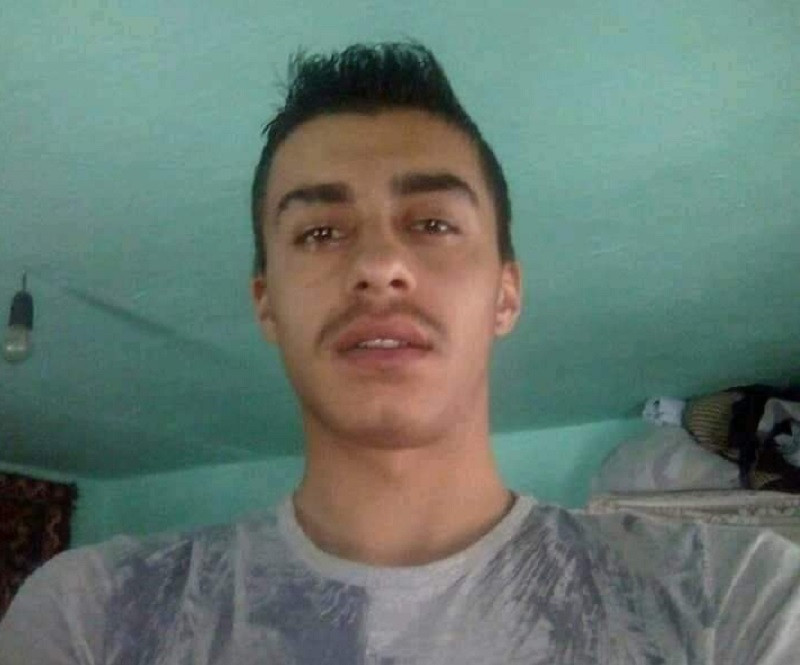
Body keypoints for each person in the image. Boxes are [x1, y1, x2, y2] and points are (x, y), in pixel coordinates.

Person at [1, 41, 798, 664]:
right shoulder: (93, 612)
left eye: (433, 223)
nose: (379, 264)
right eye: (321, 231)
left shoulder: (733, 598)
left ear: (506, 293)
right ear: (266, 301)